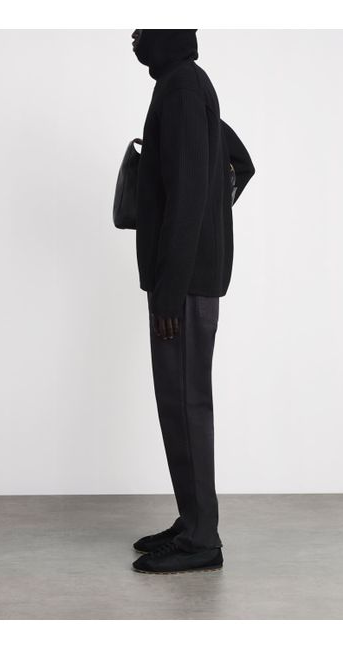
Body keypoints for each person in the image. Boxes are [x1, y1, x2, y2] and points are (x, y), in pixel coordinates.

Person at [130, 29, 255, 574]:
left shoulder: (181, 88)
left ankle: (203, 539)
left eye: (142, 30)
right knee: (179, 404)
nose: (134, 38)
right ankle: (192, 520)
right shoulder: (187, 85)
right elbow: (239, 163)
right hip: (187, 278)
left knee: (186, 405)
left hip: (182, 285)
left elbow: (186, 193)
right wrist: (214, 218)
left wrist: (170, 288)